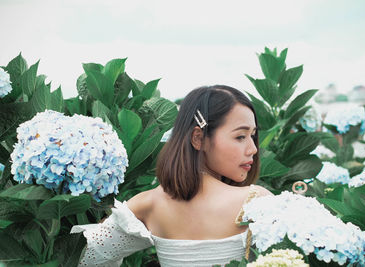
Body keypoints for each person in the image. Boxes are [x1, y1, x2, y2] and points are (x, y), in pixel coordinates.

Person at [71, 85, 272, 267]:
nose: (253, 149)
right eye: (240, 137)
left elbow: (87, 258)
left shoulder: (149, 203)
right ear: (198, 138)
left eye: (253, 136)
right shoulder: (255, 202)